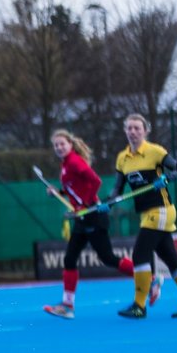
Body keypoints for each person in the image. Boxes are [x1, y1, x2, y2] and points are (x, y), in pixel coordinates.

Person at [42, 129, 141, 319]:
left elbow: (95, 181)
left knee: (108, 258)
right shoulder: (65, 165)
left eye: (62, 144)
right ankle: (67, 306)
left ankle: (148, 278)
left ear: (70, 144)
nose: (59, 147)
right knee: (70, 259)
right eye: (56, 145)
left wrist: (86, 205)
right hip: (82, 218)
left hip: (93, 215)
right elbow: (74, 188)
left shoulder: (74, 161)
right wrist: (59, 192)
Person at [101, 113, 177, 319]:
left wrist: (166, 179)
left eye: (137, 128)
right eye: (129, 128)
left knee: (140, 254)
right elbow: (118, 188)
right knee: (171, 258)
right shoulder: (123, 158)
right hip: (146, 213)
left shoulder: (155, 152)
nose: (133, 132)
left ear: (145, 131)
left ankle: (139, 306)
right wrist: (109, 202)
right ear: (125, 131)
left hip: (162, 209)